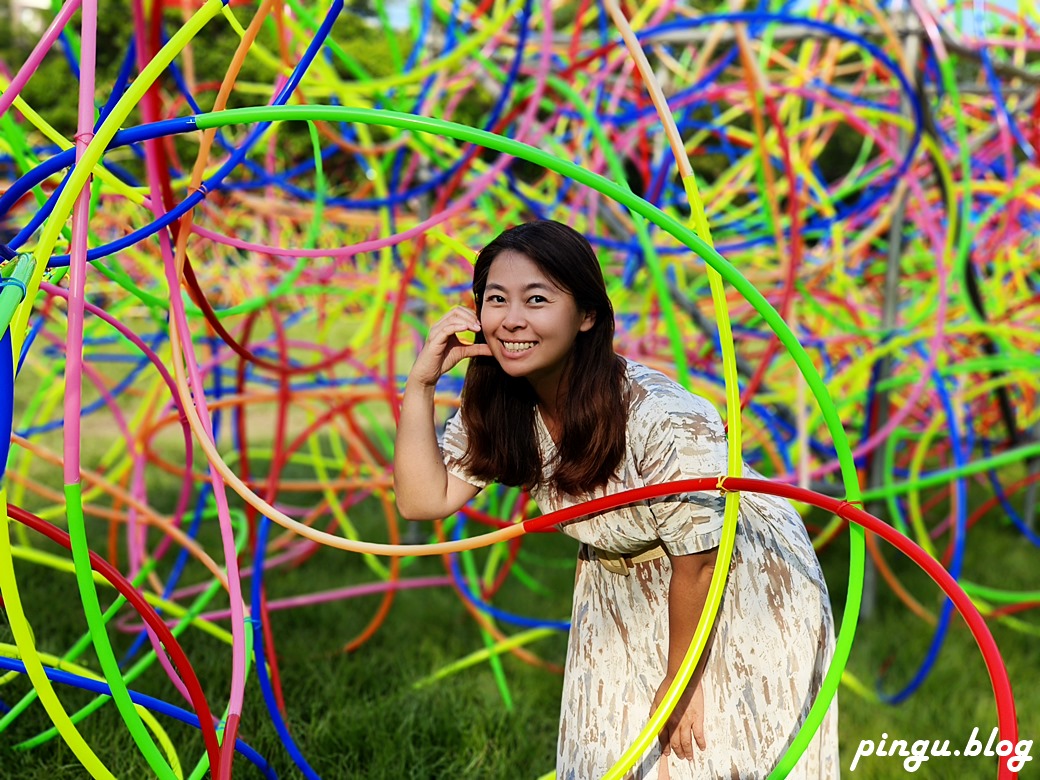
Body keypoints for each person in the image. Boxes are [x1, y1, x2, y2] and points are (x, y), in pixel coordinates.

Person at [394, 220, 839, 779]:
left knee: (715, 754)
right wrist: (420, 385)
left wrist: (682, 681)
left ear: (586, 316)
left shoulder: (663, 415)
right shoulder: (505, 403)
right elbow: (420, 500)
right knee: (606, 751)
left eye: (537, 299)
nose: (511, 320)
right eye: (495, 300)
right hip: (618, 576)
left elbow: (700, 560)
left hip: (736, 572)